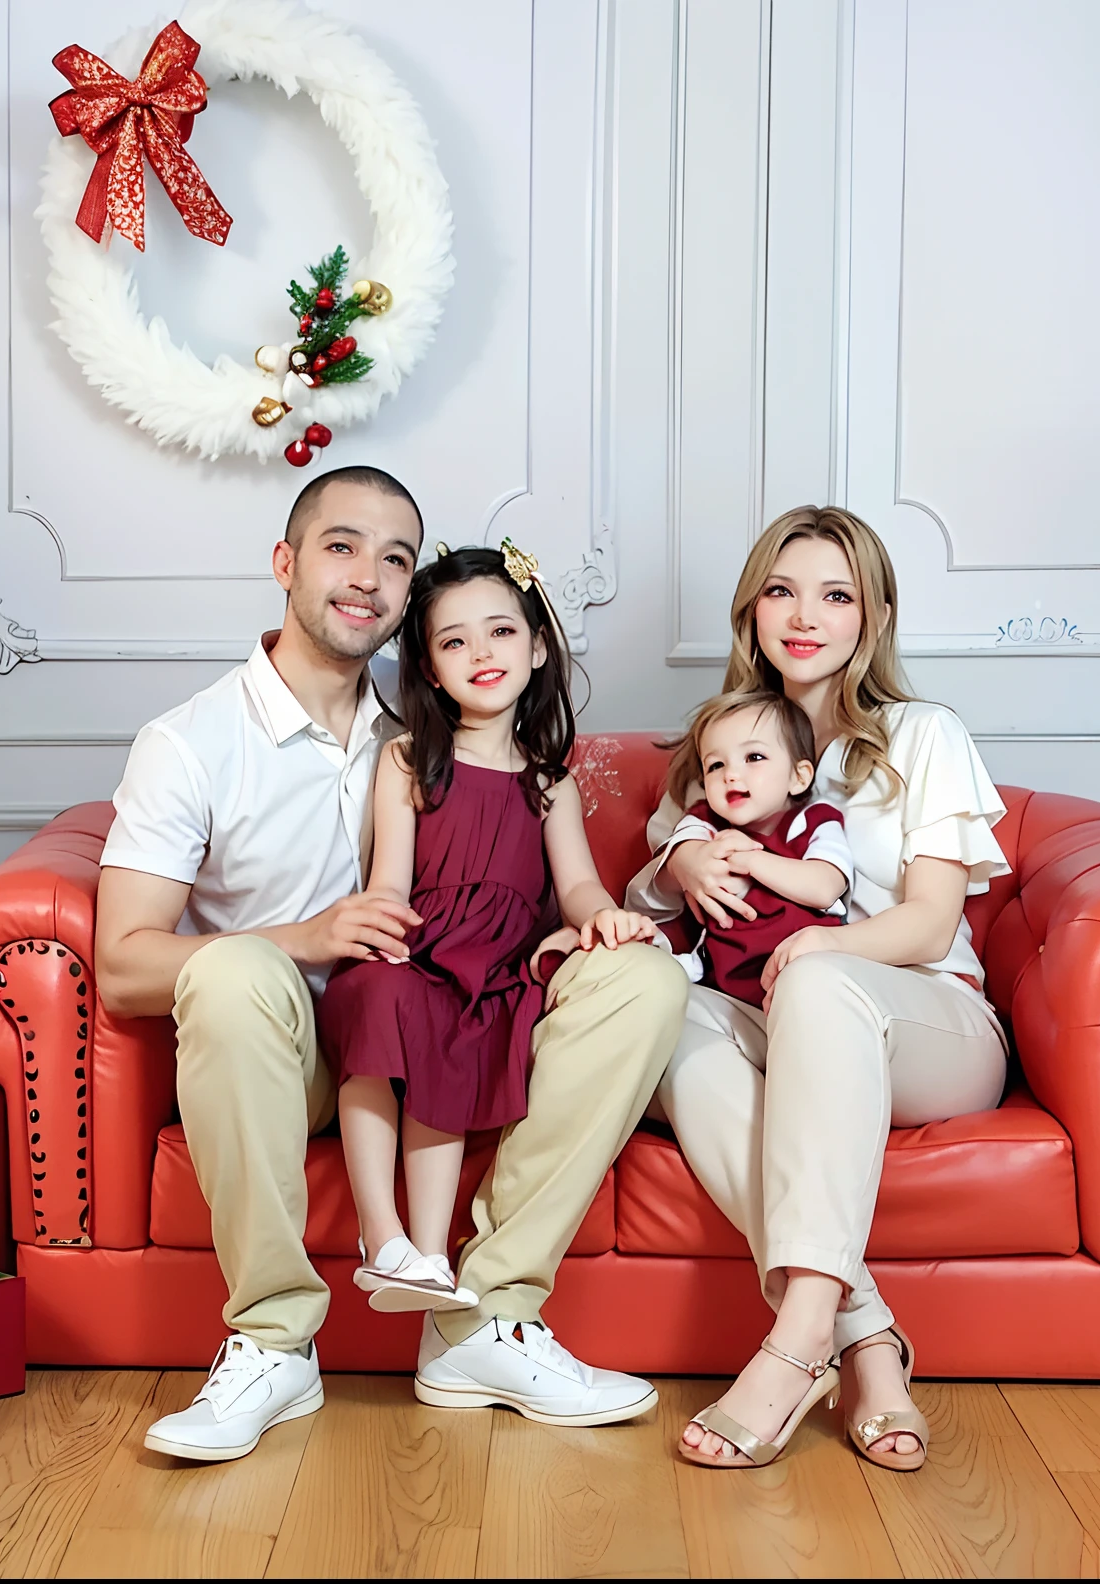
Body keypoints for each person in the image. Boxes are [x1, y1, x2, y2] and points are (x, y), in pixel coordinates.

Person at [96, 470, 689, 1462]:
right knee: (237, 974)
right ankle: (272, 1342)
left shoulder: (423, 736)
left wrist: (572, 922)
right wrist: (304, 938)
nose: (367, 574)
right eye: (339, 545)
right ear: (284, 564)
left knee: (643, 979)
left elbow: (529, 882)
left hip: (447, 1018)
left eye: (395, 557)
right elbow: (121, 967)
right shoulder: (190, 743)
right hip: (282, 1058)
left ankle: (482, 1318)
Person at [628, 505, 1009, 1472]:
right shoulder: (724, 745)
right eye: (782, 591)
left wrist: (821, 953)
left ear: (872, 619)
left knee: (818, 981)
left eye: (837, 595)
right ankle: (866, 1339)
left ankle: (795, 1341)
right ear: (750, 610)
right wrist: (682, 869)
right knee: (660, 1010)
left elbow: (928, 922)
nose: (805, 616)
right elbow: (666, 870)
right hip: (772, 1012)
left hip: (931, 1023)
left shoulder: (923, 735)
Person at [321, 544, 658, 1313]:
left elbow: (575, 884)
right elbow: (390, 884)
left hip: (493, 967)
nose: (481, 654)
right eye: (454, 640)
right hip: (415, 944)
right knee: (389, 997)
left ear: (537, 647)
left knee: (462, 1025)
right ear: (430, 670)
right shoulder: (409, 760)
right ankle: (385, 1236)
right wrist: (384, 944)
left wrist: (599, 917)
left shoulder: (551, 784)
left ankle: (432, 1257)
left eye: (501, 632)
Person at [649, 689, 850, 1007]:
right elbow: (683, 859)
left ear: (798, 777)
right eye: (715, 765)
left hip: (807, 975)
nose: (730, 774)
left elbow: (825, 887)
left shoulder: (815, 820)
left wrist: (752, 860)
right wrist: (694, 857)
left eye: (754, 757)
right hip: (720, 982)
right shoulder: (704, 822)